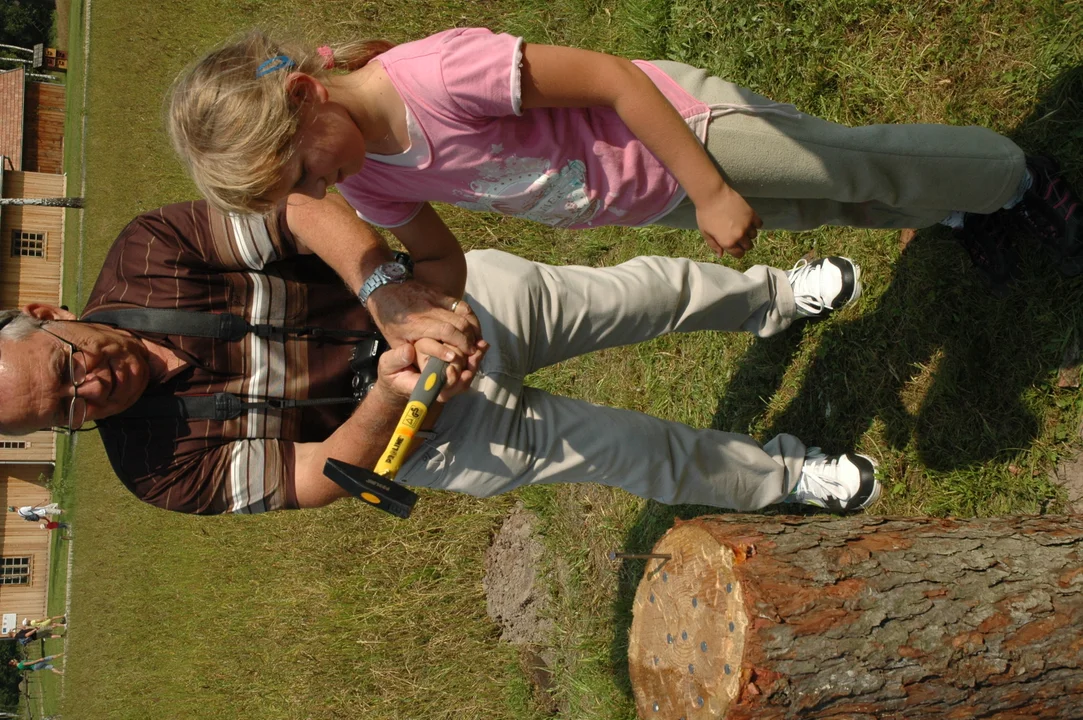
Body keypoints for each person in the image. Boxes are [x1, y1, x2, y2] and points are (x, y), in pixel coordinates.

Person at [0, 195, 878, 515]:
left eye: (69, 368)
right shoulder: (156, 470)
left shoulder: (151, 250)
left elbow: (300, 209)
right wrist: (391, 394)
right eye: (69, 411)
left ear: (50, 312)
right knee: (631, 454)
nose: (94, 389)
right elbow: (323, 475)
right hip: (424, 434)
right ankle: (789, 480)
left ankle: (771, 297)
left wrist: (392, 297)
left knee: (638, 295)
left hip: (436, 308)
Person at [167, 27, 1082, 290]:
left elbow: (610, 81)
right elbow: (438, 258)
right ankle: (967, 210)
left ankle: (1016, 177)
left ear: (302, 96)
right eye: (307, 192)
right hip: (651, 195)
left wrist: (711, 184)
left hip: (688, 137)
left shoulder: (438, 76)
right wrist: (418, 315)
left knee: (845, 166)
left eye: (306, 172)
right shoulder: (366, 168)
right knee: (824, 208)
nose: (326, 189)